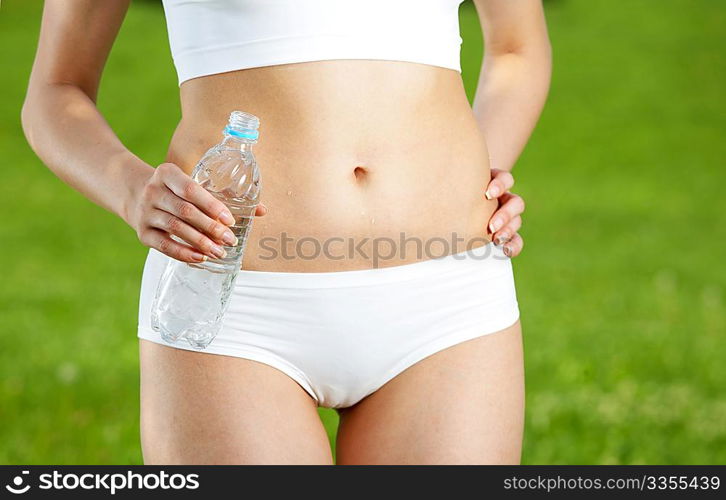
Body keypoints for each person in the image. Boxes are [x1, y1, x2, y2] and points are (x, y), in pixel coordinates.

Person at [22, 0, 551, 464]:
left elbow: (516, 47)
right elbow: (56, 88)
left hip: (449, 301)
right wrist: (131, 189)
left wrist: (482, 176)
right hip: (230, 305)